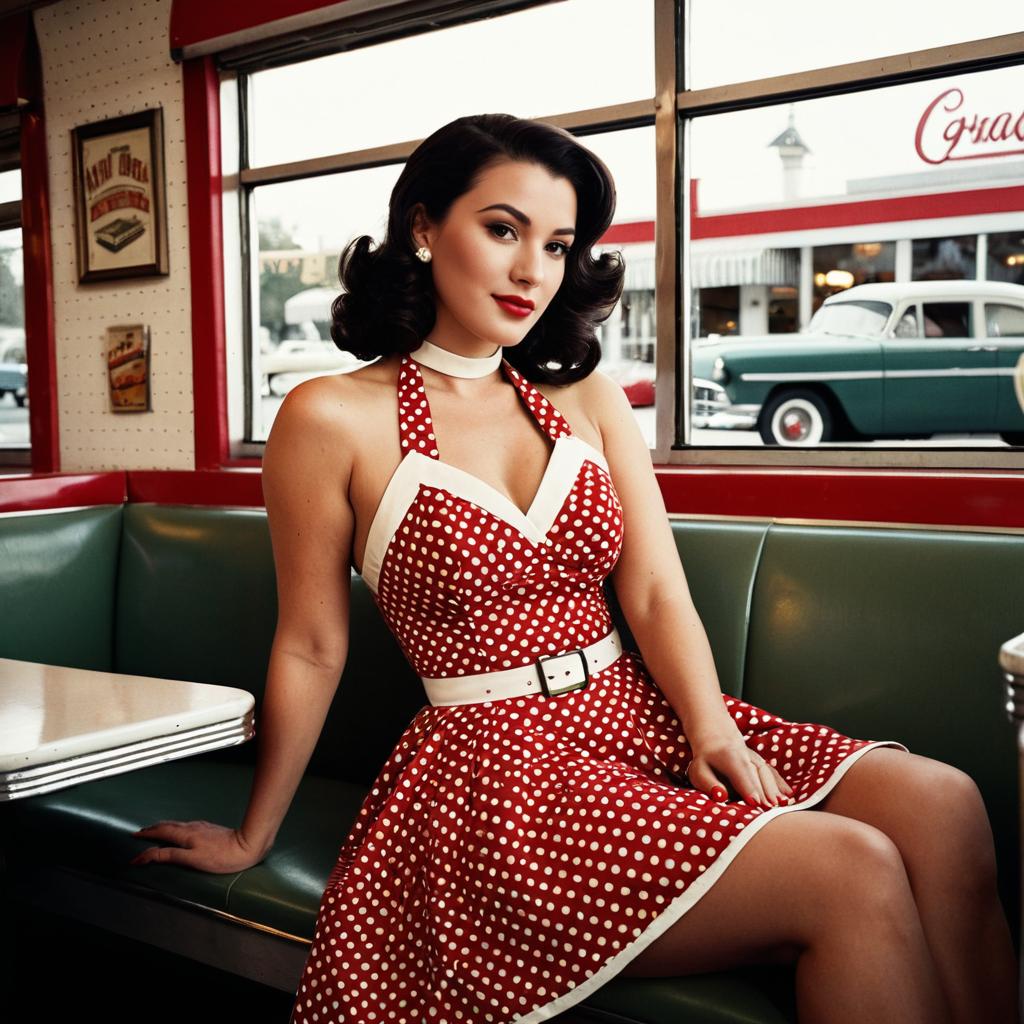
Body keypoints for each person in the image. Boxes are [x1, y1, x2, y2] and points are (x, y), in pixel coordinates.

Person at [129, 113, 1017, 1024]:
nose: (532, 271)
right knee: (852, 870)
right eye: (503, 229)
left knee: (943, 805)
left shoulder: (583, 395)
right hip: (496, 773)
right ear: (426, 228)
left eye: (556, 245)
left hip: (636, 713)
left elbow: (654, 586)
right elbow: (313, 645)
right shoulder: (330, 418)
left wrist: (710, 730)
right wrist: (253, 831)